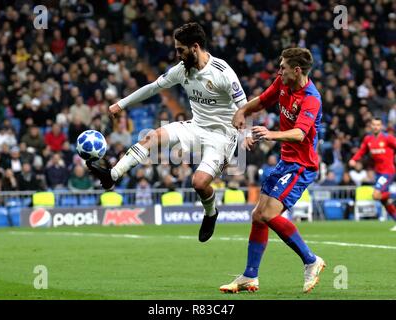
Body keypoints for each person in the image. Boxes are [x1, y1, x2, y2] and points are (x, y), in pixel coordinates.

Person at [86, 22, 247, 242]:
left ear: (195, 47)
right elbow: (153, 87)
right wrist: (121, 104)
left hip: (221, 136)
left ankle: (211, 213)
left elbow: (244, 106)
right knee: (152, 136)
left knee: (199, 183)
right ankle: (112, 175)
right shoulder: (182, 70)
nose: (177, 54)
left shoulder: (223, 72)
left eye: (180, 49)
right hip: (196, 126)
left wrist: (244, 136)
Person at [220, 48, 326, 294]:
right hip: (285, 161)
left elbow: (300, 134)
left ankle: (311, 261)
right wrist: (242, 111)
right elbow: (262, 100)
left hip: (302, 165)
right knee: (258, 216)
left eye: (283, 67)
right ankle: (249, 276)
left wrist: (271, 134)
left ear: (296, 70)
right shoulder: (282, 83)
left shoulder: (311, 98)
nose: (279, 71)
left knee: (268, 214)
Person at [349, 118, 396, 230]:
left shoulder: (387, 138)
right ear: (371, 126)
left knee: (375, 195)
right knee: (383, 200)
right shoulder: (368, 139)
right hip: (378, 173)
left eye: (378, 125)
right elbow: (361, 151)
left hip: (388, 172)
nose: (376, 127)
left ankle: (392, 196)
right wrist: (354, 159)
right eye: (374, 125)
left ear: (381, 126)